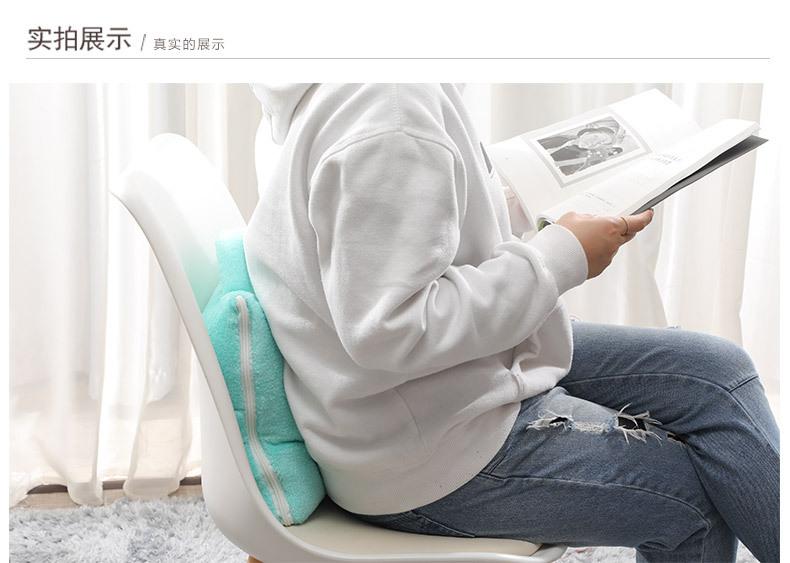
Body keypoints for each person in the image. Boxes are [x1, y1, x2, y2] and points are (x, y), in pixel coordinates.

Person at [244, 84, 779, 562]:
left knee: (718, 371)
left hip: (435, 390)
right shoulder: (390, 107)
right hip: (429, 453)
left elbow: (391, 238)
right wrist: (562, 257)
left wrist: (515, 204)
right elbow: (392, 329)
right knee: (692, 501)